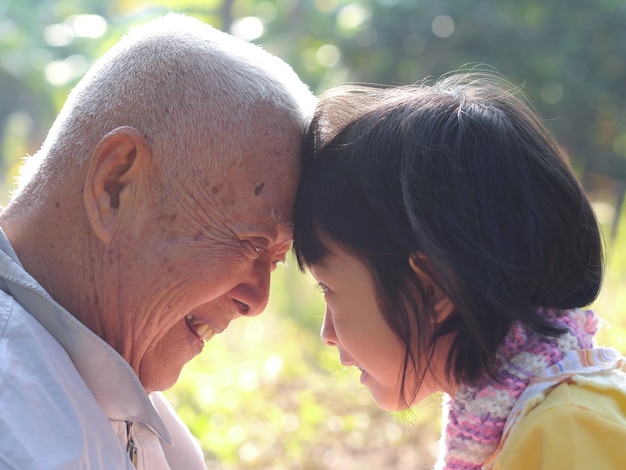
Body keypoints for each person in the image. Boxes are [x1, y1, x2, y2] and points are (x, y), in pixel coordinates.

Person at [0, 13, 315, 469]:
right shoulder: (19, 428)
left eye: (278, 261)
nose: (258, 300)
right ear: (116, 186)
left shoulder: (96, 378)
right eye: (251, 243)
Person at [293, 72, 626, 469]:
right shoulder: (523, 415)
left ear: (432, 289)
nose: (326, 334)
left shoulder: (569, 429)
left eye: (328, 289)